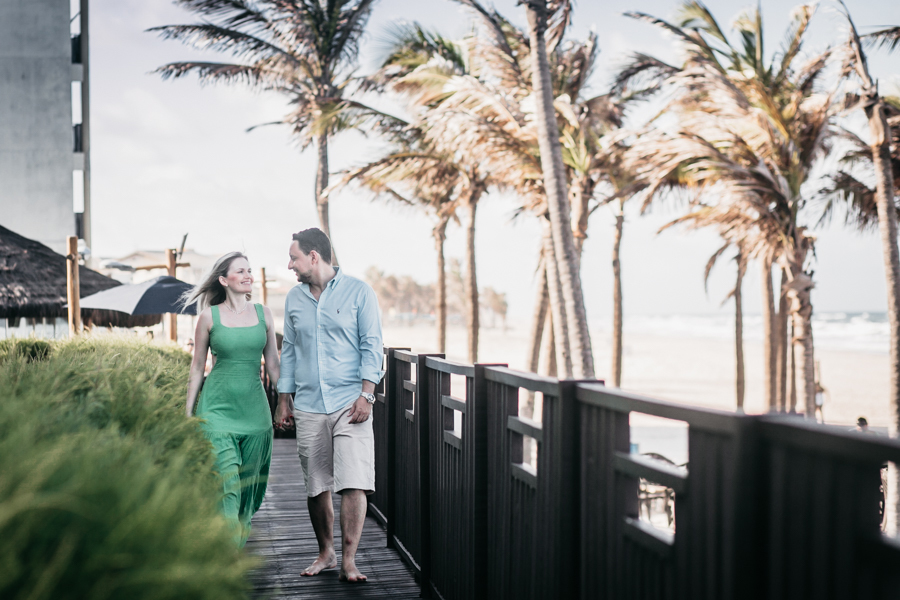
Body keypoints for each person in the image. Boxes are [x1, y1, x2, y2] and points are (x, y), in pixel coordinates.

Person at [274, 228, 383, 583]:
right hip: (308, 404)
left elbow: (372, 345)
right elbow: (288, 351)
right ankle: (327, 552)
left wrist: (367, 394)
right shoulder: (294, 299)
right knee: (315, 485)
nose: (290, 264)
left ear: (314, 256)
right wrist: (283, 400)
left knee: (354, 482)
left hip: (350, 403)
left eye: (294, 257)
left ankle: (350, 560)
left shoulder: (359, 292)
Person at [184, 252, 280, 547]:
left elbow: (274, 365)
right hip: (216, 413)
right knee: (227, 487)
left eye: (249, 270)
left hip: (255, 415)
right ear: (224, 280)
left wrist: (289, 403)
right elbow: (198, 367)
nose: (248, 275)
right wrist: (188, 415)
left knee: (247, 493)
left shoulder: (264, 314)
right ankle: (227, 556)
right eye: (241, 271)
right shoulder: (208, 317)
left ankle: (235, 541)